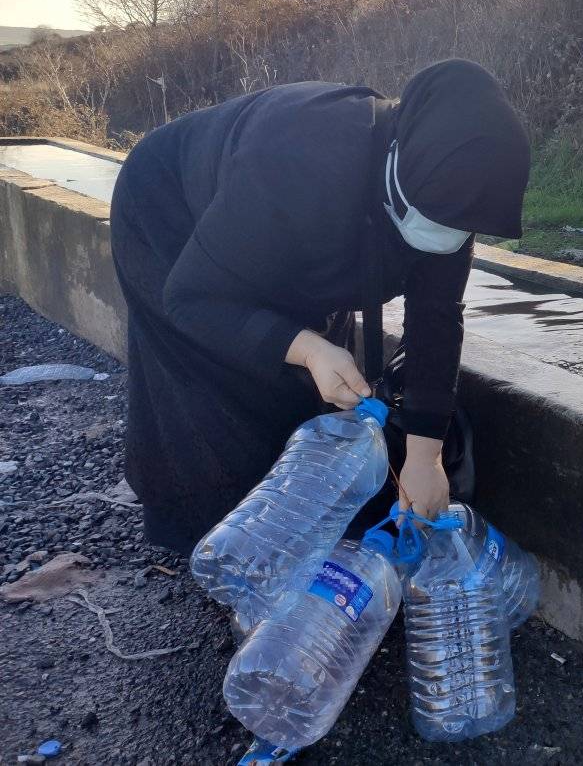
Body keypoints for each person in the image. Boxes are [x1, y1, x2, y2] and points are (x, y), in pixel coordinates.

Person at [109, 59, 531, 554]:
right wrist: (305, 346)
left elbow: (437, 323)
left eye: (459, 230)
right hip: (170, 216)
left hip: (288, 231)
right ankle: (220, 547)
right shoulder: (300, 161)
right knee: (218, 385)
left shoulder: (449, 191)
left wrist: (425, 454)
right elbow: (193, 299)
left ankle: (297, 530)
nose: (446, 239)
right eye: (435, 222)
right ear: (399, 166)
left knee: (309, 394)